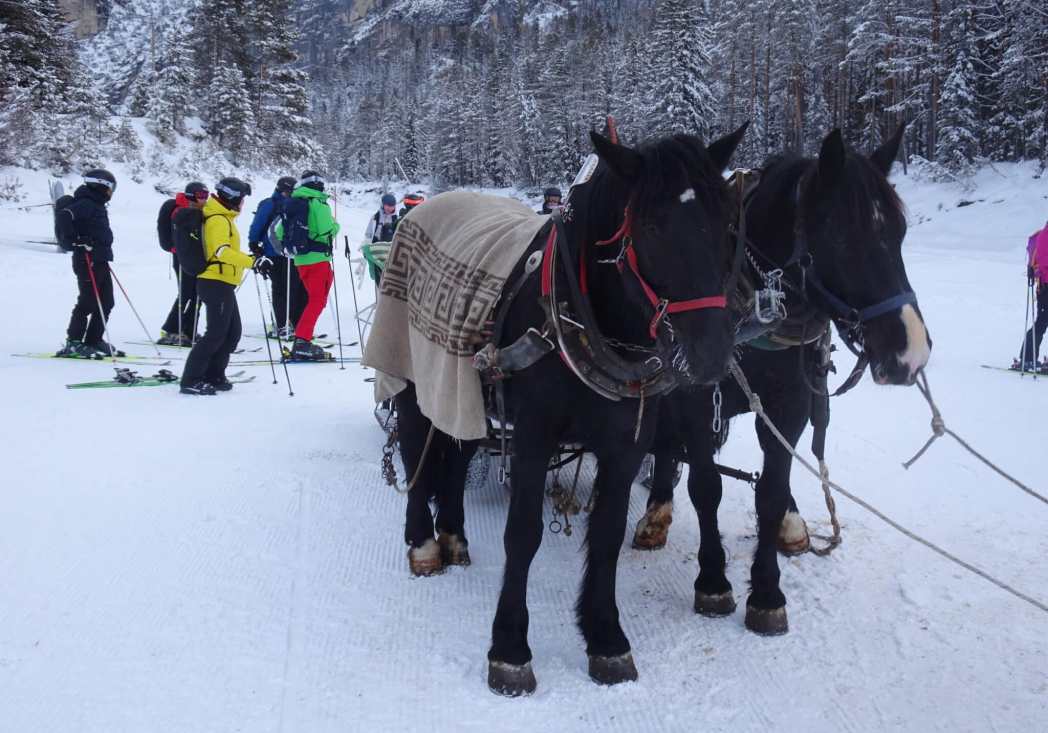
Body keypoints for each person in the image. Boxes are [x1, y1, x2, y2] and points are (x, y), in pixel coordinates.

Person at [180, 177, 268, 395]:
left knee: (231, 333)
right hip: (214, 281)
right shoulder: (218, 218)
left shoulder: (223, 217)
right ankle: (191, 379)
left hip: (222, 282)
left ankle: (214, 374)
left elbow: (227, 250)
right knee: (215, 334)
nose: (243, 203)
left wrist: (252, 258)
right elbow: (221, 252)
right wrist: (252, 262)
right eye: (242, 198)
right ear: (233, 197)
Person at [55, 169, 118, 358]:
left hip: (100, 258)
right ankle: (73, 343)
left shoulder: (97, 204)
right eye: (111, 187)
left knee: (107, 301)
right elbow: (64, 215)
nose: (112, 192)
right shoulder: (87, 203)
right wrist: (76, 239)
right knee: (88, 301)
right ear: (100, 185)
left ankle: (93, 340)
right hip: (87, 258)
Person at [286, 171, 340, 361]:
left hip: (300, 260)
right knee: (318, 300)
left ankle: (302, 338)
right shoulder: (318, 203)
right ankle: (302, 341)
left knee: (313, 300)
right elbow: (327, 230)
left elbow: (279, 231)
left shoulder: (295, 203)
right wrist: (336, 226)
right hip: (318, 259)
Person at [248, 176, 305, 339]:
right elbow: (257, 224)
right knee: (282, 289)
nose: (291, 195)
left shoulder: (293, 204)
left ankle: (288, 321)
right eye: (289, 192)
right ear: (282, 190)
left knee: (292, 289)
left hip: (289, 254)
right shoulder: (270, 204)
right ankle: (280, 324)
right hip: (273, 253)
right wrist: (254, 243)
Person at [158, 182, 208, 345]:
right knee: (185, 293)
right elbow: (183, 236)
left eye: (206, 196)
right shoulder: (180, 211)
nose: (204, 199)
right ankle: (171, 331)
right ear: (191, 195)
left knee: (198, 294)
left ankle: (189, 330)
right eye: (201, 196)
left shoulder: (199, 211)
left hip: (196, 258)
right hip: (181, 257)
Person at [1016, 222, 1048, 372]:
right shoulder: (1045, 235)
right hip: (1045, 285)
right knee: (1042, 321)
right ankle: (1028, 358)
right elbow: (1043, 259)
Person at [362, 192, 398, 284]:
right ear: (382, 205)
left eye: (392, 207)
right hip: (377, 250)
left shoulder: (396, 218)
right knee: (378, 278)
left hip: (390, 249)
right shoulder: (375, 218)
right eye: (387, 207)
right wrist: (366, 246)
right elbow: (368, 234)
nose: (389, 210)